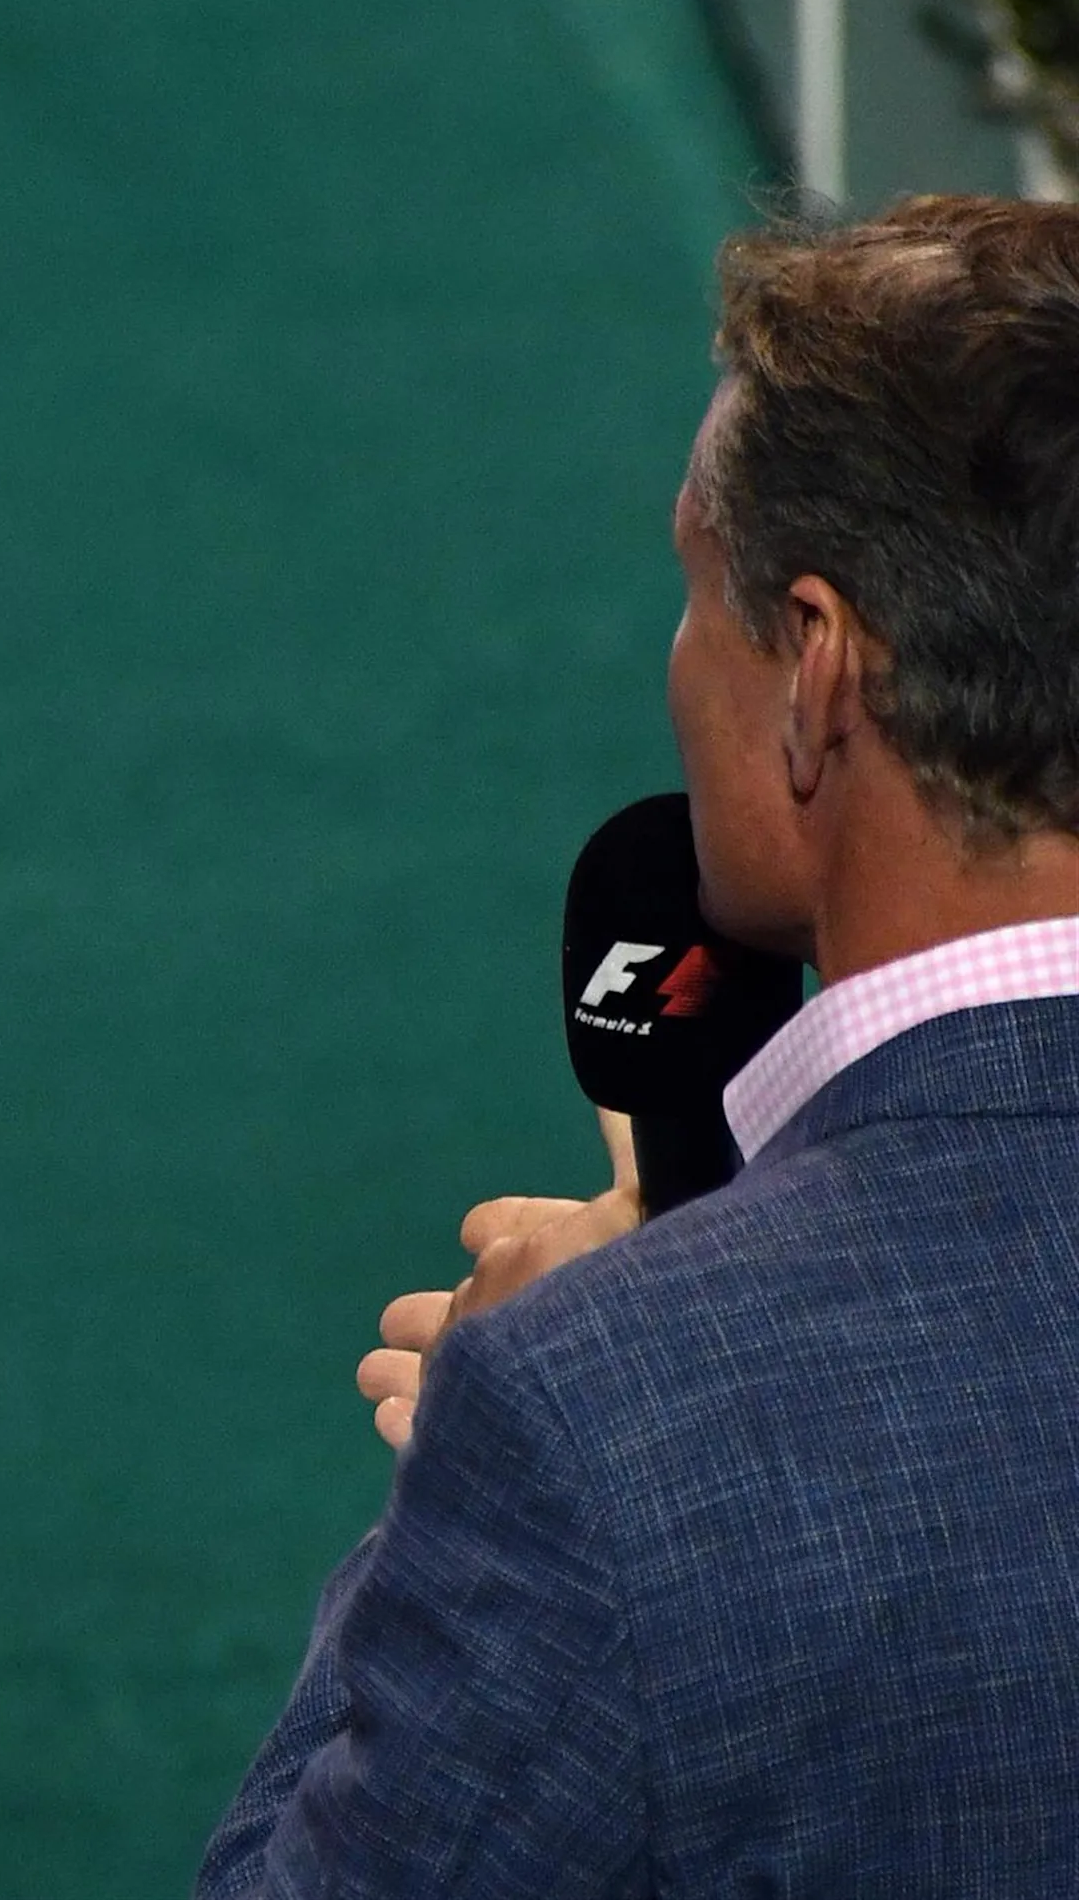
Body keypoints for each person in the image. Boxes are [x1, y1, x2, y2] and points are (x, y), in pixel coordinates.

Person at [203, 194, 1079, 1896]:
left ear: (817, 671)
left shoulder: (595, 1422)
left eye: (696, 587)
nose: (673, 664)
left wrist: (504, 1435)